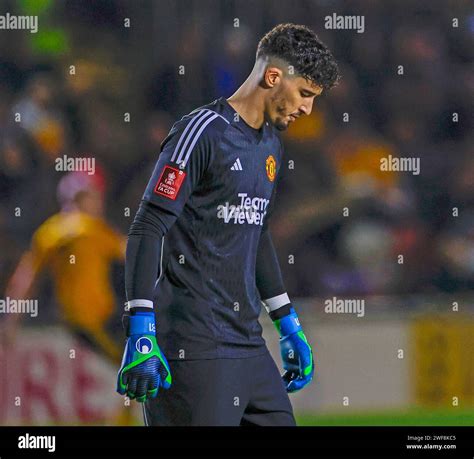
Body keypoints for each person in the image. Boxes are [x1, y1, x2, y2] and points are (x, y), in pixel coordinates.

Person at [117, 23, 340, 426]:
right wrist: (140, 327)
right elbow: (148, 226)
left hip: (248, 345)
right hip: (194, 345)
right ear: (273, 77)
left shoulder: (270, 144)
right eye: (305, 93)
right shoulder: (201, 131)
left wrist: (286, 321)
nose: (307, 108)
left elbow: (258, 234)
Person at [3, 169, 126, 363]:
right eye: (94, 197)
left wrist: (10, 321)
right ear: (82, 198)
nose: (99, 202)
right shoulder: (90, 228)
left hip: (67, 323)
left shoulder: (49, 232)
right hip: (98, 323)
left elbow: (25, 280)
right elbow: (133, 254)